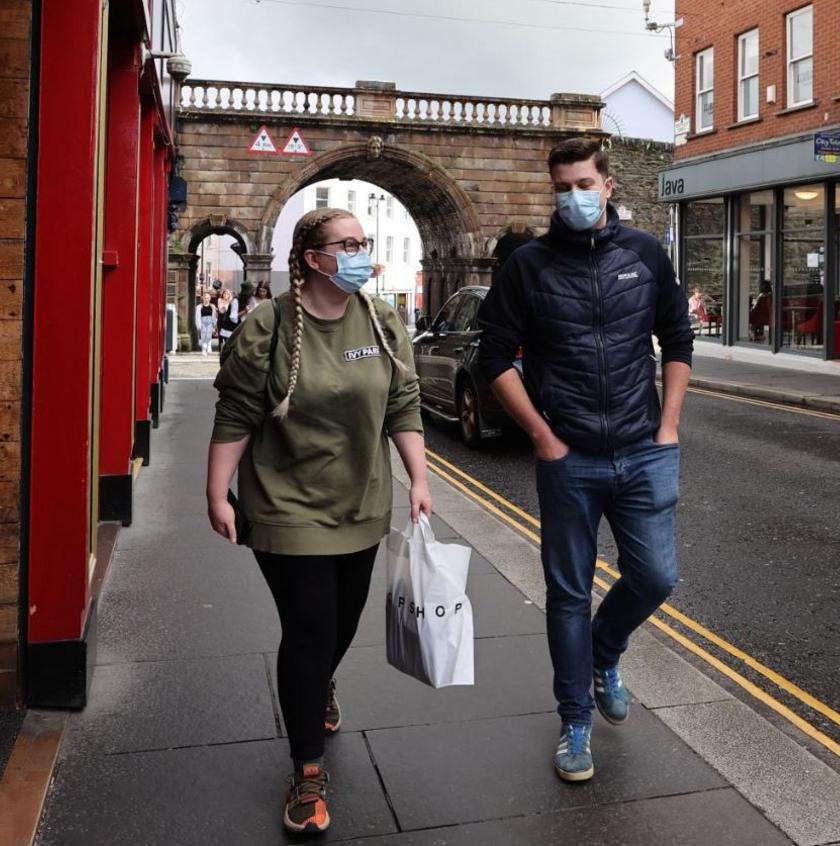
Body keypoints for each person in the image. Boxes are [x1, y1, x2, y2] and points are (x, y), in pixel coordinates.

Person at [206, 207, 430, 835]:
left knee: (342, 623)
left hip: (361, 503)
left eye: (365, 242)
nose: (362, 252)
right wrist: (216, 492)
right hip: (284, 503)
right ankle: (307, 771)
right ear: (312, 258)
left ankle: (317, 687)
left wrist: (419, 478)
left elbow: (403, 402)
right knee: (308, 630)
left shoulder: (383, 320)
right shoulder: (268, 325)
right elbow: (236, 413)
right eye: (349, 243)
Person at [476, 137, 693, 784]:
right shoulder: (528, 266)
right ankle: (575, 721)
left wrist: (670, 426)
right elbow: (494, 358)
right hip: (568, 458)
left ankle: (605, 653)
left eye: (583, 184)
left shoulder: (646, 254)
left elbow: (677, 338)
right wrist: (542, 437)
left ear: (608, 185)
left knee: (656, 576)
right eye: (562, 187)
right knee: (568, 594)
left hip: (643, 448)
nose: (573, 196)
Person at [197, 286, 217, 354]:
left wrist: (215, 325)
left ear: (210, 299)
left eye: (208, 298)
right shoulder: (199, 307)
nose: (206, 299)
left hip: (210, 322)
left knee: (208, 335)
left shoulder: (213, 307)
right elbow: (197, 317)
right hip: (202, 321)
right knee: (203, 335)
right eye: (205, 298)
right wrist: (198, 325)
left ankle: (209, 346)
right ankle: (204, 349)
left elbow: (214, 316)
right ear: (203, 299)